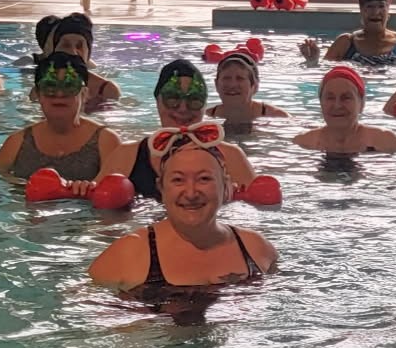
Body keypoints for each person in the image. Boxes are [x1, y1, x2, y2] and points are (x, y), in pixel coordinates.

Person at [88, 126, 278, 292]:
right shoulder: (126, 256)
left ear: (226, 186)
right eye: (178, 180)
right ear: (161, 188)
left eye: (204, 179)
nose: (191, 193)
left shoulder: (257, 249)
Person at [99, 60, 259, 201]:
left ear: (204, 105)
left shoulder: (231, 157)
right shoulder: (126, 155)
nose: (183, 108)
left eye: (194, 100)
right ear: (157, 101)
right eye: (172, 99)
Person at [0, 52, 121, 183]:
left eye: (69, 86)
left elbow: (117, 189)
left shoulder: (106, 141)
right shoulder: (17, 142)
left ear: (84, 94)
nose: (59, 94)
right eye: (50, 86)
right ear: (38, 94)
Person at [294, 66, 396, 154]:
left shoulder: (385, 142)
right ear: (321, 102)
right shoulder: (303, 143)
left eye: (346, 98)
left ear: (361, 103)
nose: (337, 105)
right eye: (330, 98)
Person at [34, 13, 120, 106]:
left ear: (88, 53)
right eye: (66, 45)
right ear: (55, 50)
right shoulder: (41, 88)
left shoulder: (107, 90)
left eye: (79, 46)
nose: (73, 52)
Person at [207, 50, 288, 127]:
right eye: (226, 78)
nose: (232, 85)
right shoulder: (205, 119)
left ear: (255, 86)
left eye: (240, 78)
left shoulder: (279, 118)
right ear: (216, 84)